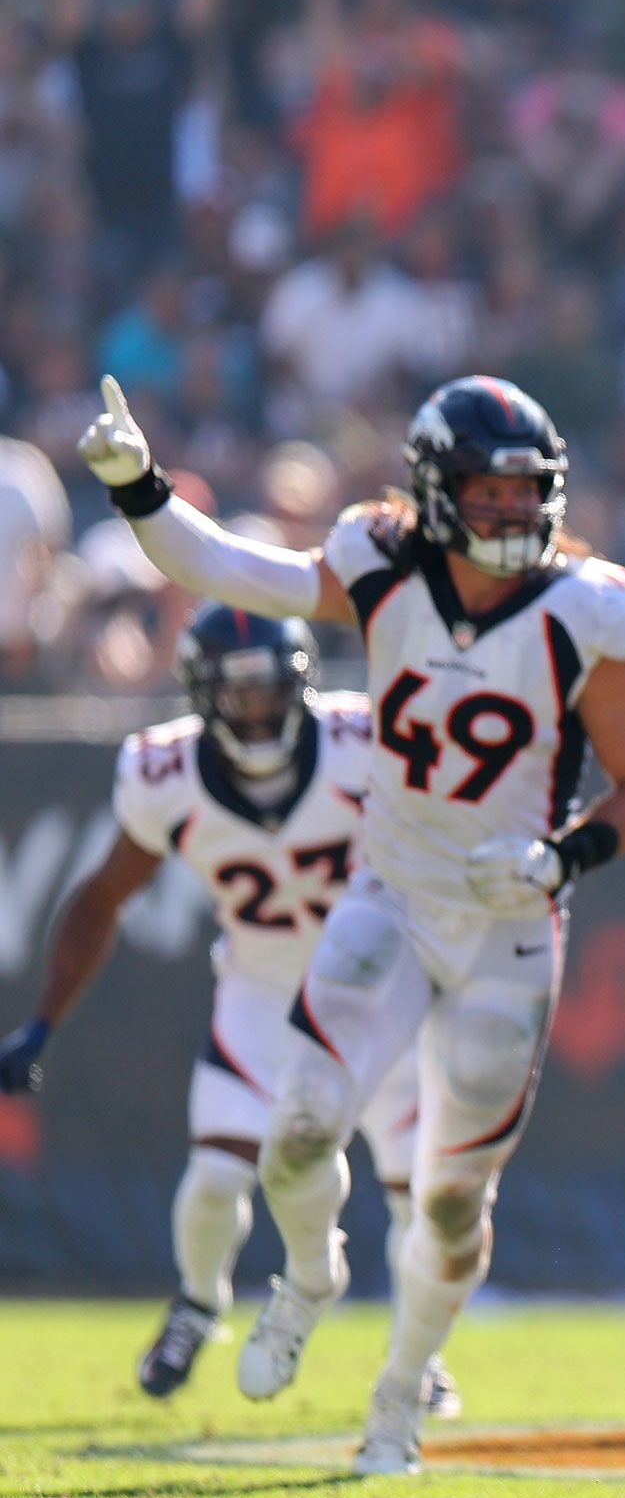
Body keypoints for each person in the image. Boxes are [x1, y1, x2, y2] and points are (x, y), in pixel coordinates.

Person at [76, 373, 625, 1472]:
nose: (510, 513)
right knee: (296, 1131)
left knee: (452, 1201)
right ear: (437, 491)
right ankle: (309, 1277)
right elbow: (230, 570)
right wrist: (141, 488)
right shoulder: (380, 564)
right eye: (487, 492)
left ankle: (400, 1393)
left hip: (508, 925)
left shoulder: (586, 611)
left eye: (524, 492)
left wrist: (560, 853)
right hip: (391, 895)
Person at [0, 604, 447, 1413]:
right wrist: (45, 1019)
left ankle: (421, 1346)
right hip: (264, 992)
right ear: (202, 696)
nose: (257, 708)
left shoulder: (365, 743)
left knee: (418, 1188)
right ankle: (200, 1303)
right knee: (214, 1174)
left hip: (377, 993)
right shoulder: (162, 774)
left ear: (303, 681)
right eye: (237, 693)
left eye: (271, 688)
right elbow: (101, 898)